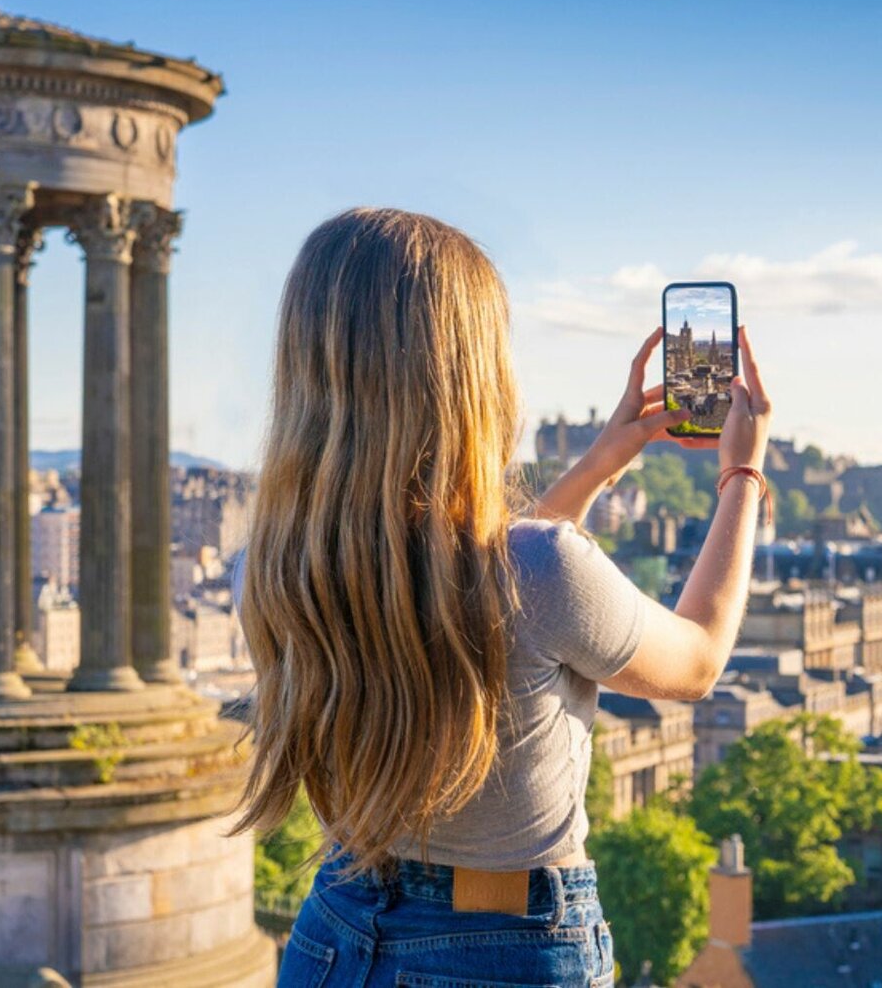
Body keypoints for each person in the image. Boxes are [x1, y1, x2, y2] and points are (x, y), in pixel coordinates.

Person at [235, 208, 771, 987]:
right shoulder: (543, 570)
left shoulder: (286, 561)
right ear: (469, 374)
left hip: (334, 935)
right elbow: (696, 662)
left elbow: (482, 585)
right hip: (503, 951)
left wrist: (600, 463)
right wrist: (742, 477)